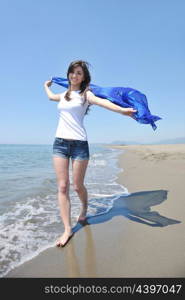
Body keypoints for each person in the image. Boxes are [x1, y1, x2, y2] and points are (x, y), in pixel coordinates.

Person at [44, 60, 137, 247]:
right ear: (68, 74)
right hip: (60, 144)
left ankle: (84, 207)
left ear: (84, 77)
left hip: (79, 144)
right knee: (63, 186)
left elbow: (103, 103)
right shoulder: (64, 95)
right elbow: (51, 97)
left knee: (77, 186)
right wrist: (46, 86)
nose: (74, 75)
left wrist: (122, 111)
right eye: (72, 72)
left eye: (79, 73)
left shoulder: (87, 95)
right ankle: (67, 229)